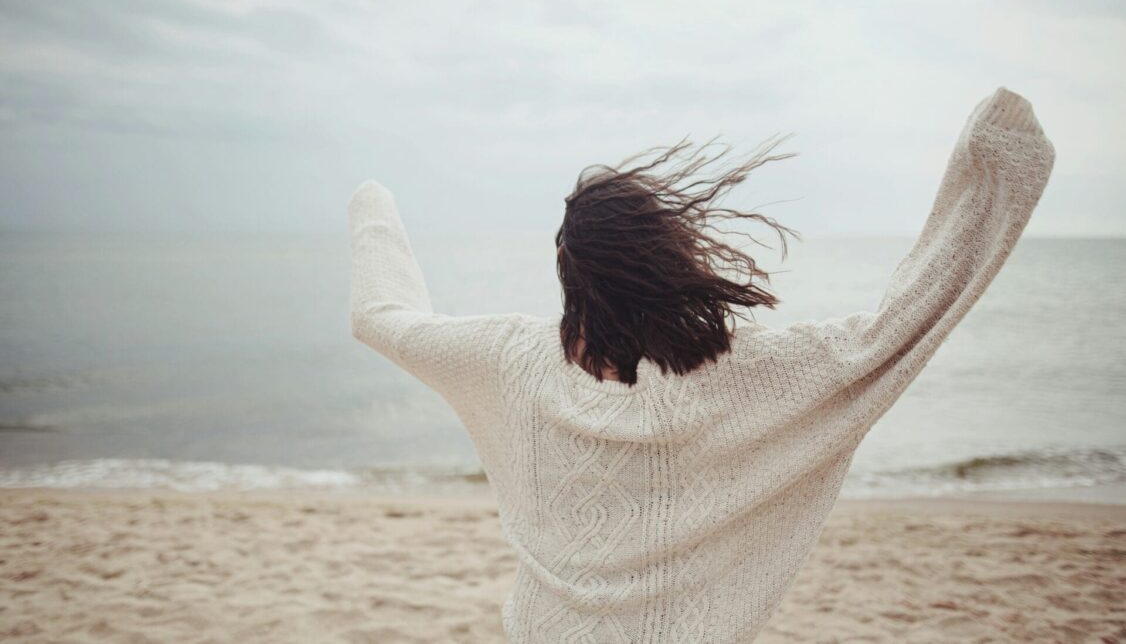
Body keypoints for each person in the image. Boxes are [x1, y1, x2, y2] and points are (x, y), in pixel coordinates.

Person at [348, 86, 1055, 642]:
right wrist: (989, 173)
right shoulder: (743, 376)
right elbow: (893, 332)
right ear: (667, 259)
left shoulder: (509, 359)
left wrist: (371, 203)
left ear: (568, 268)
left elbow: (382, 319)